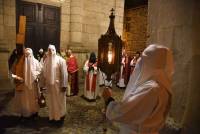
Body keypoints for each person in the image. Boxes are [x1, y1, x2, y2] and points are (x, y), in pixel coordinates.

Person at [102, 44, 174, 134]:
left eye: (143, 62)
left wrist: (108, 99)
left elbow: (126, 112)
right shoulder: (162, 86)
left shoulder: (152, 89)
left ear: (150, 63)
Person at [11, 47, 41, 118]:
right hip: (23, 85)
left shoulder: (36, 62)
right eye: (26, 55)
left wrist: (34, 75)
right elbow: (13, 72)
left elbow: (39, 70)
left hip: (32, 85)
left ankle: (34, 112)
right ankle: (25, 113)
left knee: (33, 99)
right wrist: (16, 78)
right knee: (24, 100)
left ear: (32, 55)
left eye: (29, 55)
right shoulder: (20, 63)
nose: (27, 57)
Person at [41, 44, 68, 122]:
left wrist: (64, 85)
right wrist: (42, 85)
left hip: (58, 86)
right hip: (49, 86)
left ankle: (60, 115)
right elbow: (43, 73)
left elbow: (64, 74)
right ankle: (52, 116)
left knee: (59, 101)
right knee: (50, 101)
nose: (50, 52)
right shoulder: (46, 61)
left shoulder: (61, 60)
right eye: (49, 50)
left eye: (52, 50)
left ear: (55, 50)